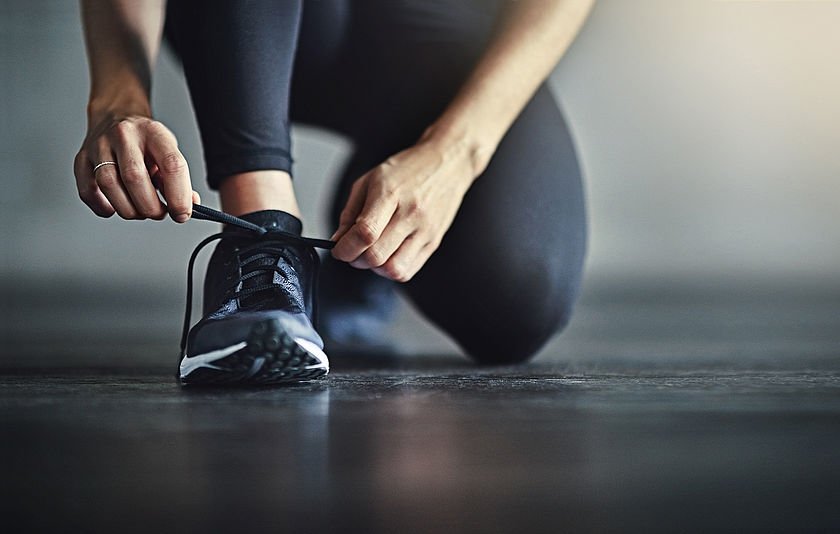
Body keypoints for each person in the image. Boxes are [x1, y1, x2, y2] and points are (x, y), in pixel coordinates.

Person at [74, 0, 593, 385]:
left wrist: (455, 152)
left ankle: (362, 236)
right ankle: (262, 247)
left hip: (447, 31)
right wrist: (117, 98)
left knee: (518, 304)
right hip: (252, 23)